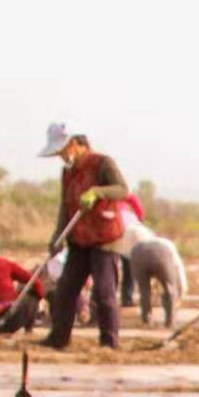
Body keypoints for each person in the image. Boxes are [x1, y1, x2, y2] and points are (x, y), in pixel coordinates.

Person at [39, 122, 129, 350]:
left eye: (63, 151)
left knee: (104, 291)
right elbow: (65, 207)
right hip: (79, 240)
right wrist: (57, 237)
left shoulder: (102, 163)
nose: (61, 157)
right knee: (65, 290)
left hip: (104, 238)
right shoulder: (67, 173)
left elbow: (122, 189)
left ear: (76, 144)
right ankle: (58, 338)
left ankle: (109, 342)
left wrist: (97, 192)